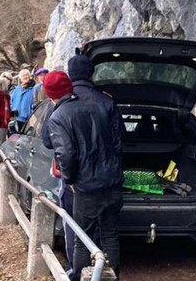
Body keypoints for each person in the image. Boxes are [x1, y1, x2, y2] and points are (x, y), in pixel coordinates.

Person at [42, 70, 124, 280]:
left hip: (87, 187)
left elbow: (66, 155)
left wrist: (69, 180)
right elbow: (117, 141)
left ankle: (78, 277)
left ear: (51, 95)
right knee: (110, 235)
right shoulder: (101, 105)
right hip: (113, 182)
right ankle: (114, 277)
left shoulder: (58, 116)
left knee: (81, 238)